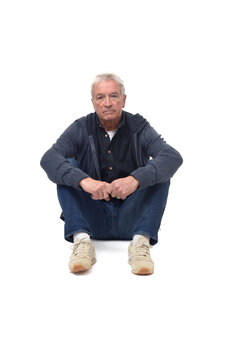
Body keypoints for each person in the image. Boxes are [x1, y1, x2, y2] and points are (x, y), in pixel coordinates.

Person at [40, 73, 183, 275]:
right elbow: (49, 158)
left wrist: (135, 179)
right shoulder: (81, 127)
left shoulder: (139, 127)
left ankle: (140, 244)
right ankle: (82, 243)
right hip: (92, 220)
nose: (107, 103)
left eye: (114, 96)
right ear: (93, 103)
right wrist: (84, 181)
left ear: (123, 100)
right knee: (67, 167)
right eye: (100, 97)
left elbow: (172, 157)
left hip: (132, 220)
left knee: (158, 169)